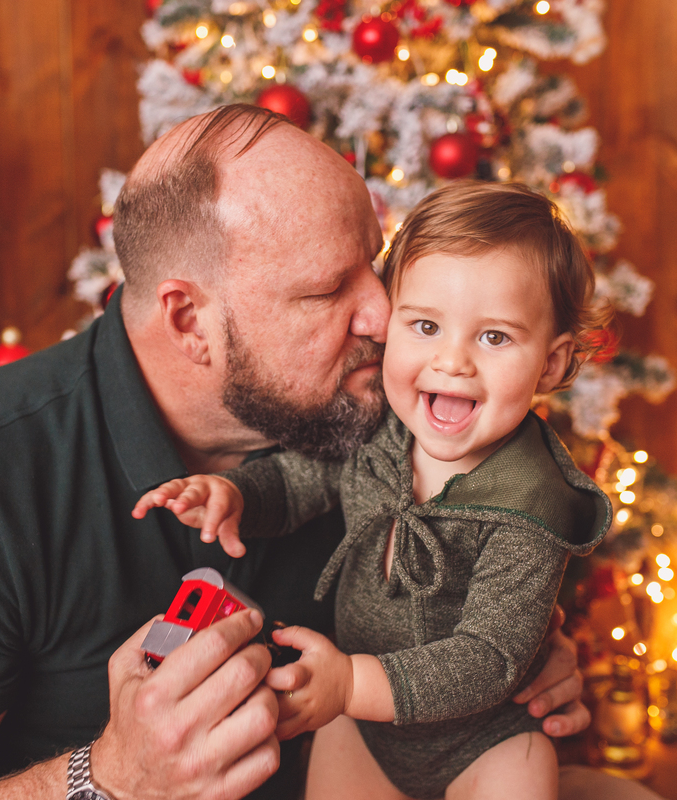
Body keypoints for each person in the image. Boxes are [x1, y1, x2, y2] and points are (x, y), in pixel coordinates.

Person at [0, 106, 590, 800]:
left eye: (377, 263)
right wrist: (110, 779)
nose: (386, 315)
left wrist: (510, 666)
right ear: (189, 320)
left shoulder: (382, 419)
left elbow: (486, 590)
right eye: (328, 291)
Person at [133, 181, 613, 800]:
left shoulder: (530, 503)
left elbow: (489, 656)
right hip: (362, 732)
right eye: (425, 326)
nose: (453, 362)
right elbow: (306, 478)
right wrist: (238, 496)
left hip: (486, 742)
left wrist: (350, 684)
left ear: (551, 363)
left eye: (494, 337)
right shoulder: (384, 426)